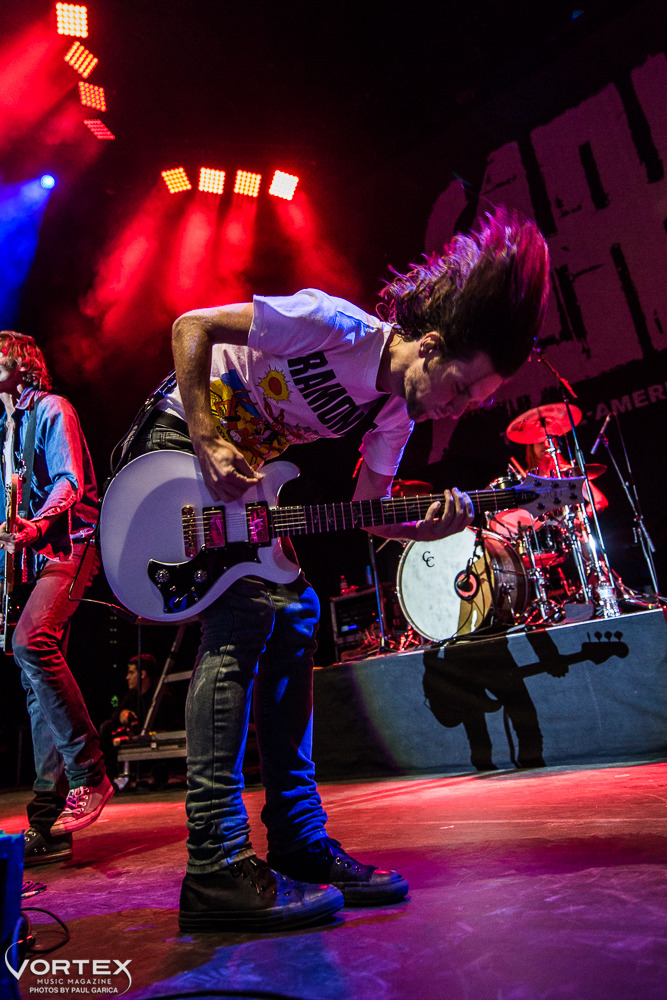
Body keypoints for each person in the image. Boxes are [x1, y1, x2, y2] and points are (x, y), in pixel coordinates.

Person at [119, 207, 550, 931]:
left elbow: (367, 512)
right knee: (253, 610)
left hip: (241, 475)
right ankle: (215, 863)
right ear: (432, 345)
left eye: (469, 406)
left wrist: (429, 524)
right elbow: (190, 327)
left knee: (298, 616)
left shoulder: (394, 415)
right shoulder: (333, 325)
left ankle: (295, 843)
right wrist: (208, 441)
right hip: (174, 439)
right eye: (457, 390)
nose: (453, 409)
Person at [0, 332, 113, 867]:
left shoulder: (52, 409)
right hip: (34, 558)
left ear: (22, 365)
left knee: (32, 641)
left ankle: (90, 773)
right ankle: (48, 820)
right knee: (33, 677)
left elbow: (71, 482)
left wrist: (34, 526)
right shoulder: (7, 429)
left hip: (72, 544)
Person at [99, 653, 181, 785]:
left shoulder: (161, 694)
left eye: (131, 673)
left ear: (142, 674)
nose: (127, 677)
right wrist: (122, 715)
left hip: (156, 739)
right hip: (138, 737)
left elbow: (167, 725)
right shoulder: (132, 695)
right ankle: (110, 777)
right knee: (106, 728)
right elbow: (115, 717)